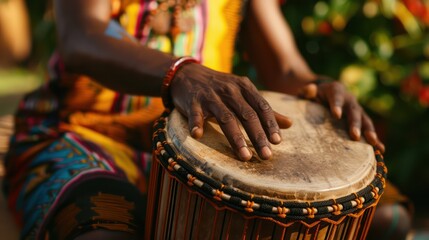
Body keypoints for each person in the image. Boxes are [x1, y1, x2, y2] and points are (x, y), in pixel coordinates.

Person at [2, 0, 408, 239]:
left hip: (202, 148)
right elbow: (80, 38)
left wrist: (321, 87)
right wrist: (180, 72)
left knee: (386, 219)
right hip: (82, 134)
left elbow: (285, 69)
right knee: (105, 230)